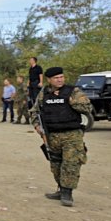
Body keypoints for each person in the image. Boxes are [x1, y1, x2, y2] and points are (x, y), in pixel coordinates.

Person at [29, 67, 92, 207]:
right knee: (56, 164)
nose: (60, 80)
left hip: (72, 135)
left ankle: (67, 193)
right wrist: (37, 126)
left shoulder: (73, 92)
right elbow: (34, 111)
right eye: (56, 78)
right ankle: (60, 188)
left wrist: (72, 101)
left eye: (61, 77)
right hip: (52, 136)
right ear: (49, 80)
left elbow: (88, 108)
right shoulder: (44, 93)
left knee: (71, 164)